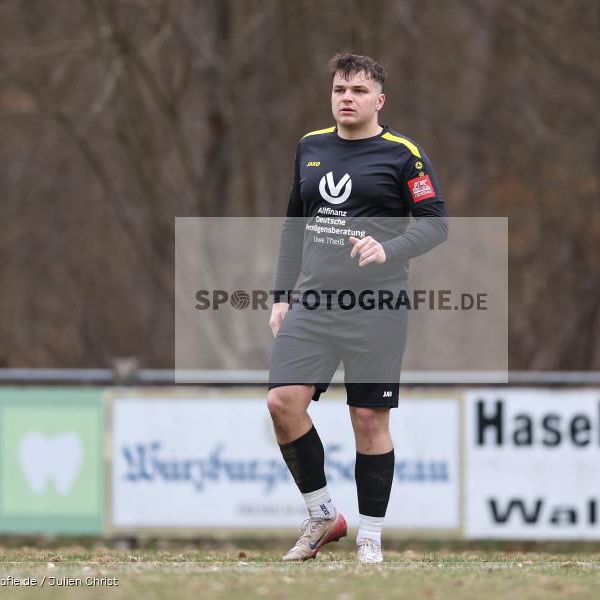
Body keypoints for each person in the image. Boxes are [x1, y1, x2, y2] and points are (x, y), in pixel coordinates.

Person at [267, 53, 448, 564]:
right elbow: (292, 227)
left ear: (379, 100)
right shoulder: (310, 147)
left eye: (359, 90)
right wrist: (281, 294)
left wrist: (388, 249)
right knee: (282, 402)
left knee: (368, 418)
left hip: (378, 305)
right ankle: (323, 515)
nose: (347, 97)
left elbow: (436, 224)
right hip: (315, 302)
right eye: (340, 89)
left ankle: (370, 534)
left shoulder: (404, 154)